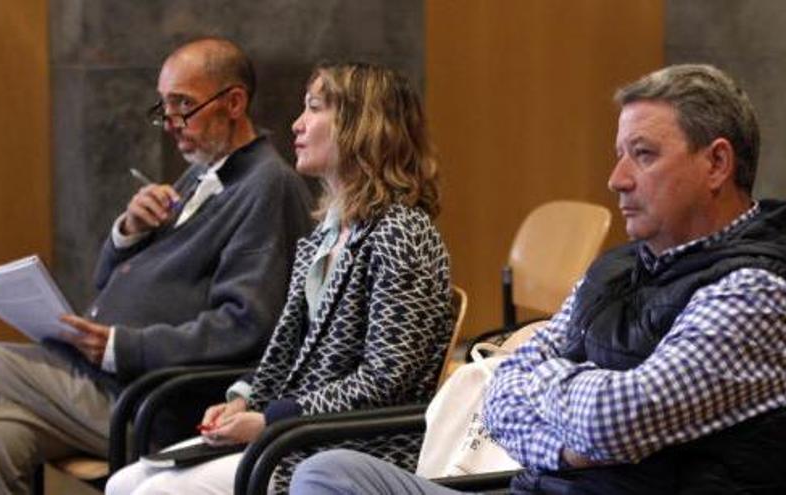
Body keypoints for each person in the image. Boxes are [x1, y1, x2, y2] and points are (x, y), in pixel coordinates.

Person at [290, 64, 786, 494]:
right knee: (328, 475)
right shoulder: (616, 268)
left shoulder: (756, 290)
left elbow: (611, 421)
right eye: (620, 153)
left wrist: (553, 392)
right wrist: (571, 441)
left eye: (644, 154)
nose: (617, 178)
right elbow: (500, 396)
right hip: (539, 484)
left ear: (717, 163)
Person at [0, 37, 314, 495]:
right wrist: (128, 232)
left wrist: (121, 346)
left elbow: (246, 326)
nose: (170, 124)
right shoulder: (199, 174)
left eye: (183, 106)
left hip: (157, 404)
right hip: (112, 386)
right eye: (164, 108)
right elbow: (108, 282)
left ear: (233, 102)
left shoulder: (267, 185)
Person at [104, 62, 454, 495]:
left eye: (314, 108)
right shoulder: (324, 234)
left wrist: (273, 419)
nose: (297, 124)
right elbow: (289, 352)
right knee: (124, 483)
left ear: (362, 126)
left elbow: (386, 381)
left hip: (347, 449)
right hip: (292, 435)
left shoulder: (404, 233)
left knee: (153, 493)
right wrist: (241, 399)